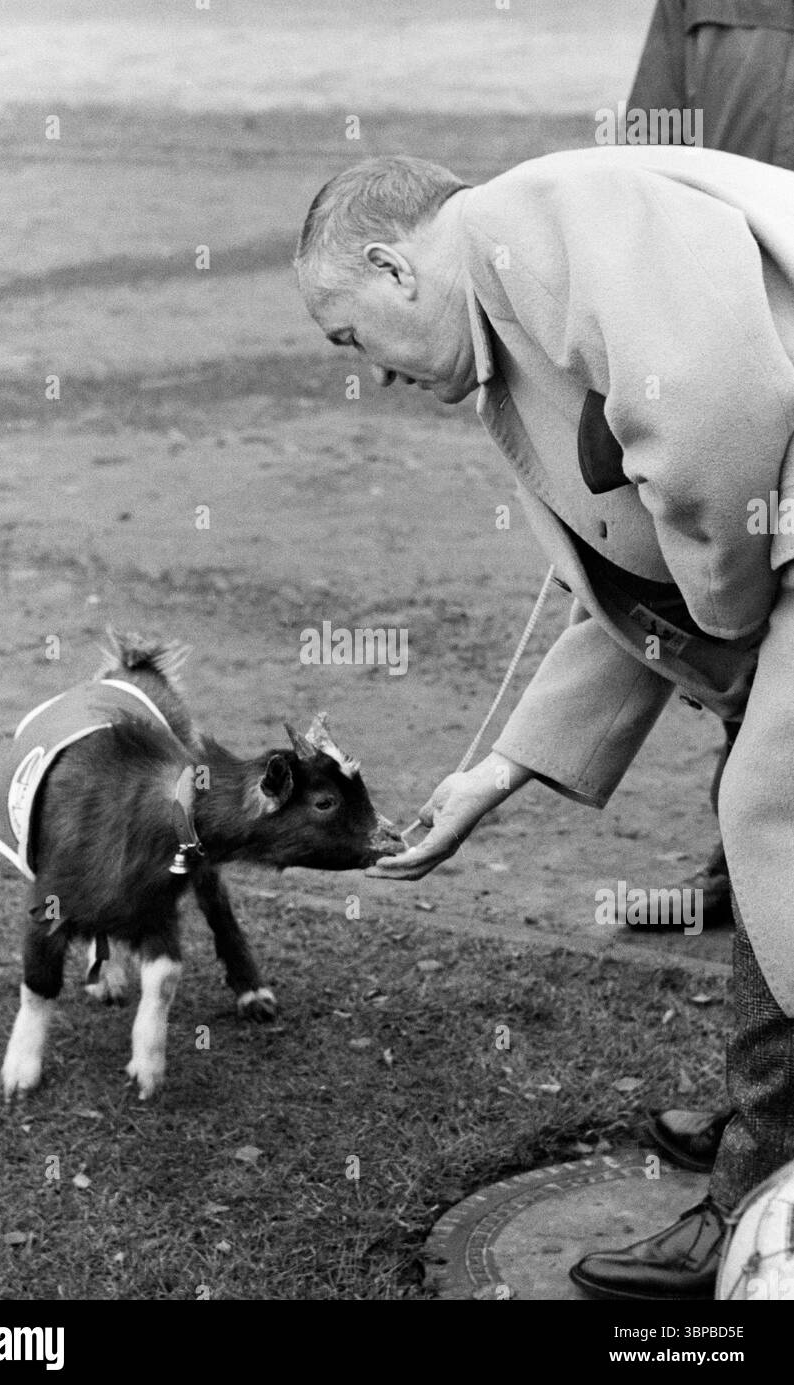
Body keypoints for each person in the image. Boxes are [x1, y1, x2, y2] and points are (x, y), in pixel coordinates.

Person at [294, 145, 794, 1298]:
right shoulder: (507, 314)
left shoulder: (544, 215)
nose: (364, 372)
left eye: (348, 336)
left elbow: (716, 417)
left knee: (770, 808)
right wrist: (494, 776)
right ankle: (758, 1137)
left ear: (389, 265)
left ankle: (751, 1204)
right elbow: (629, 604)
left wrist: (735, 618)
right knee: (765, 810)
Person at [624, 0, 794, 1187]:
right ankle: (760, 1113)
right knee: (755, 746)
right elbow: (638, 157)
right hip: (736, 358)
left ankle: (758, 1158)